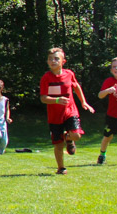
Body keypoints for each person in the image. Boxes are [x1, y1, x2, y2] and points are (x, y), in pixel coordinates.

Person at [40, 47, 94, 175]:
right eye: (50, 59)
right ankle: (61, 168)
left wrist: (83, 102)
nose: (53, 61)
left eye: (56, 59)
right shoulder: (46, 78)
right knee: (58, 144)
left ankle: (69, 139)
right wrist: (57, 100)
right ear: (47, 62)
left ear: (63, 61)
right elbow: (43, 98)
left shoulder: (69, 74)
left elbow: (76, 87)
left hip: (70, 111)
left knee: (76, 135)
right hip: (54, 116)